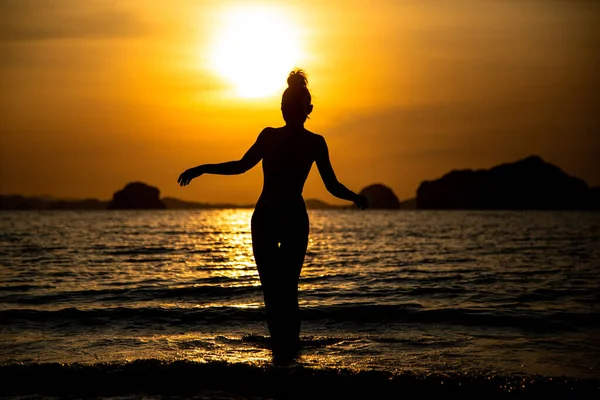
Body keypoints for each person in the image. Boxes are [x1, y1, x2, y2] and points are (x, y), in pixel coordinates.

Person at [178, 69, 369, 360]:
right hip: (271, 218)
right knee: (277, 289)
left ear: (308, 110)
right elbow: (241, 165)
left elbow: (331, 184)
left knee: (283, 290)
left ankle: (287, 351)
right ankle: (284, 353)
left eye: (291, 107)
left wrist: (354, 196)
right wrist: (203, 168)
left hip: (285, 218)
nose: (287, 111)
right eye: (284, 107)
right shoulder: (274, 137)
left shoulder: (314, 142)